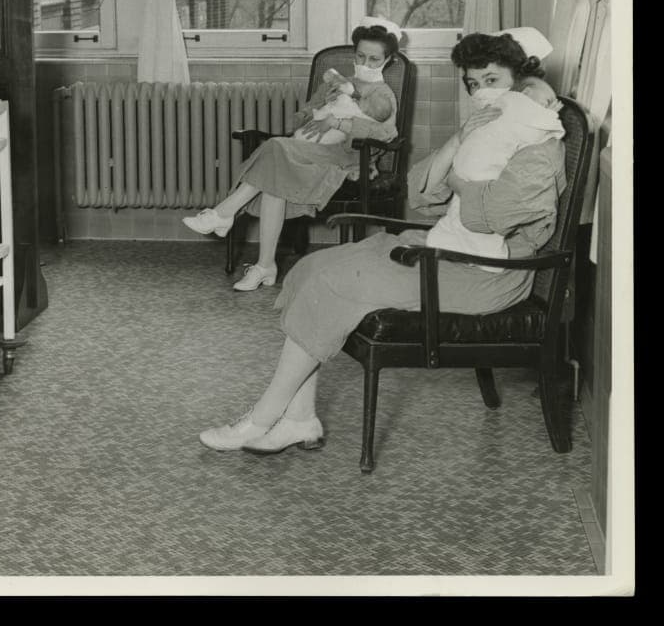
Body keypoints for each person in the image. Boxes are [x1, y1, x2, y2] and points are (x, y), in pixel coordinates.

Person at [196, 27, 566, 456]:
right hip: (447, 248)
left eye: (492, 81)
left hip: (489, 273)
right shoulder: (490, 131)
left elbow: (487, 219)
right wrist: (460, 138)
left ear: (519, 82)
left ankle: (262, 418)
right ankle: (299, 419)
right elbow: (420, 193)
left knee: (334, 282)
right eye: (473, 84)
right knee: (309, 269)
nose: (482, 94)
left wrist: (461, 183)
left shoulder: (538, 143)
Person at [181, 16, 403, 292]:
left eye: (373, 59)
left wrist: (337, 122)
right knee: (276, 181)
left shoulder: (383, 94)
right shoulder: (337, 82)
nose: (365, 63)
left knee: (275, 147)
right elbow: (305, 113)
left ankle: (225, 212)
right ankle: (265, 265)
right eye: (360, 56)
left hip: (344, 158)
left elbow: (385, 134)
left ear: (388, 60)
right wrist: (309, 114)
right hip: (308, 151)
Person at [425, 74, 564, 264]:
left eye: (491, 80)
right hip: (481, 175)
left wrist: (457, 183)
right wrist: (550, 117)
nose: (549, 107)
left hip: (466, 169)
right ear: (526, 93)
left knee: (455, 217)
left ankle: (446, 242)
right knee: (468, 227)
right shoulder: (516, 105)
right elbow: (535, 130)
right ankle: (477, 255)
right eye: (547, 102)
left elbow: (493, 215)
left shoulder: (506, 110)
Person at [292, 69, 368, 146]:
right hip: (321, 127)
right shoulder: (325, 87)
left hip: (345, 134)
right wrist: (324, 103)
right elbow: (310, 110)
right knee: (296, 138)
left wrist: (353, 94)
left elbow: (365, 116)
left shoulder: (366, 88)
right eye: (330, 82)